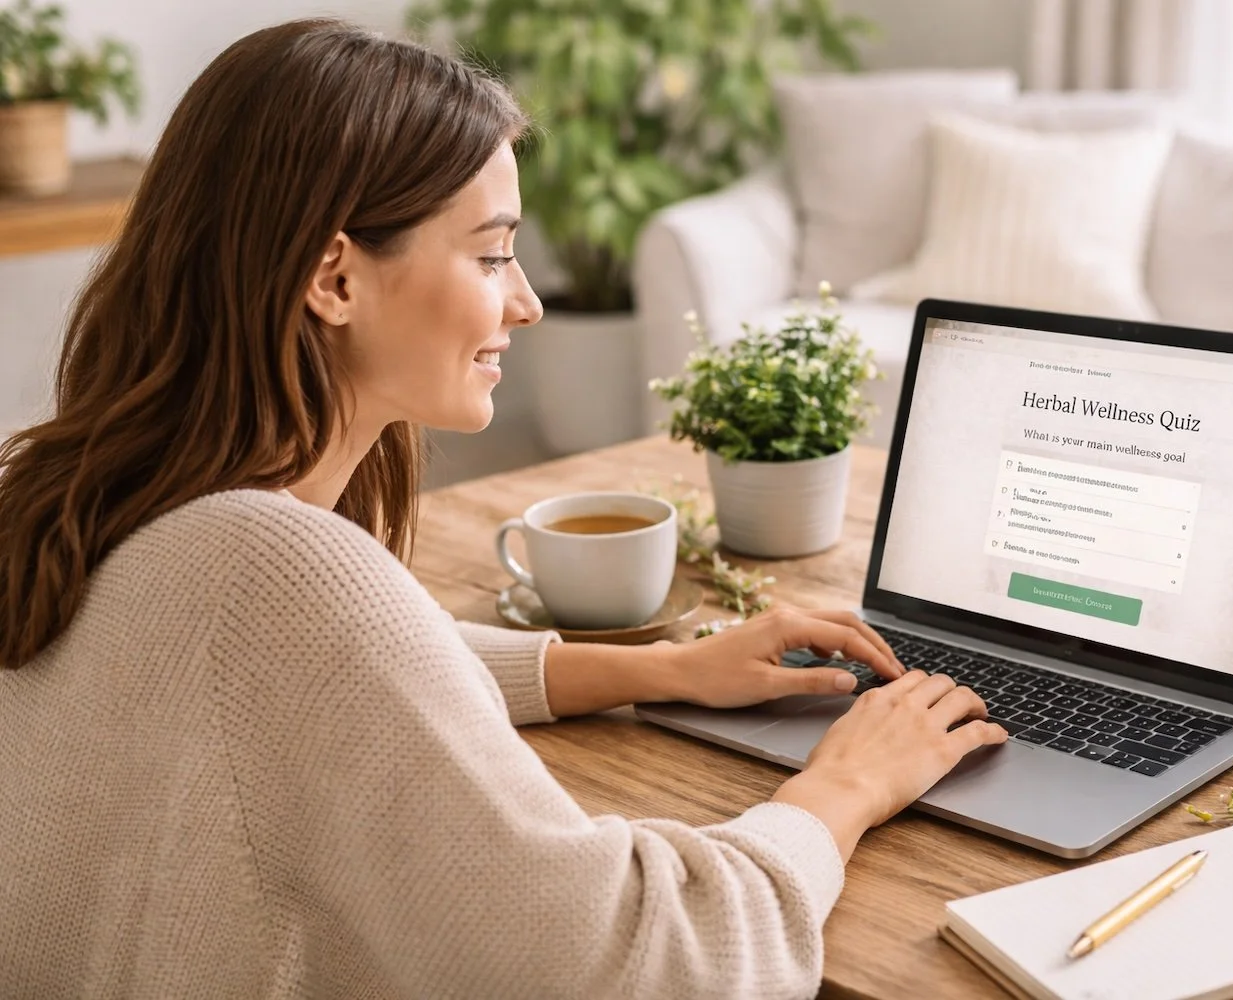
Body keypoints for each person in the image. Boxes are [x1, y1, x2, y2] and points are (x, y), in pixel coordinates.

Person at [0, 18, 1006, 999]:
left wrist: (659, 670)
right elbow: (657, 964)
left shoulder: (85, 502)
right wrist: (847, 785)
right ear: (333, 278)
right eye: (489, 255)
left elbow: (343, 670)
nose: (525, 300)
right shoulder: (277, 573)